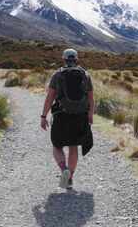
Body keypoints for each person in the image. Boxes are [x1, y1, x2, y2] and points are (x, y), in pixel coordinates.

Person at [40, 48, 94, 189]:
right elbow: (91, 98)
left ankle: (64, 168)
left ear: (63, 59)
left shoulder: (57, 75)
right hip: (80, 116)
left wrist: (44, 116)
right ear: (77, 59)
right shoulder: (85, 75)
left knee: (57, 145)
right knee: (73, 146)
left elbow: (50, 97)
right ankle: (70, 178)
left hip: (61, 116)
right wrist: (90, 115)